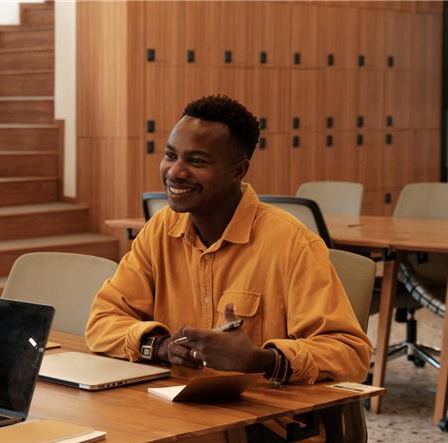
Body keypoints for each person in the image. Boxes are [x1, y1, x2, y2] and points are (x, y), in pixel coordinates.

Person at [85, 95, 372, 386]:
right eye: (171, 155)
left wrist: (263, 360)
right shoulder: (159, 231)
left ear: (238, 171)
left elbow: (350, 354)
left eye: (196, 161)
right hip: (172, 407)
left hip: (262, 419)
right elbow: (102, 321)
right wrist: (161, 346)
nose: (175, 172)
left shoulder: (291, 243)